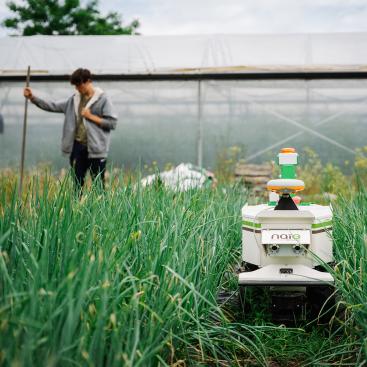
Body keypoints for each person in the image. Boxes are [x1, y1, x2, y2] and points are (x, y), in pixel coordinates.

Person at [24, 68, 117, 190]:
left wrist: (91, 116)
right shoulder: (74, 100)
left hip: (96, 149)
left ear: (88, 81)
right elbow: (52, 105)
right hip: (77, 148)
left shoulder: (103, 99)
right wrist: (32, 98)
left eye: (79, 84)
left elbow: (112, 123)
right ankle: (76, 208)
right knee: (77, 184)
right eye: (75, 85)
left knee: (98, 185)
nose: (77, 88)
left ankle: (100, 208)